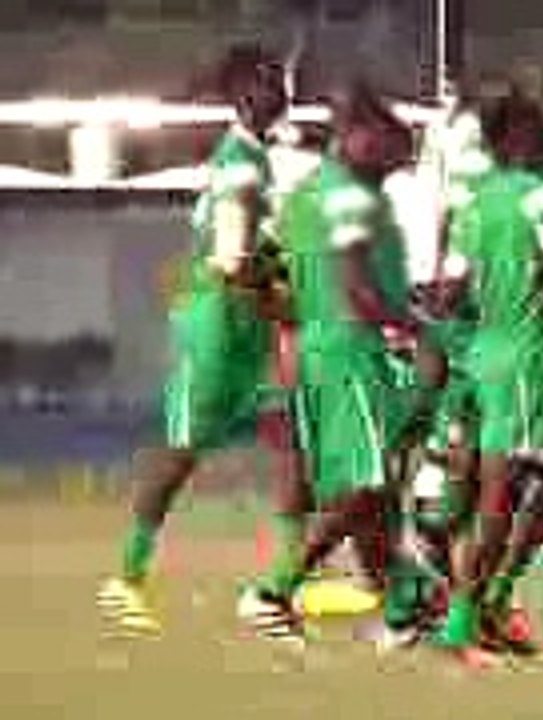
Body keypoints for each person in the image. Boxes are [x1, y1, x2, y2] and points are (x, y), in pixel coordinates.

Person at [97, 44, 300, 638]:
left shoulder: (255, 158)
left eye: (280, 80)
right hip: (217, 322)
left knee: (295, 440)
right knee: (183, 450)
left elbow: (254, 252)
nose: (279, 90)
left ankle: (285, 582)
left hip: (246, 321)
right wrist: (290, 298)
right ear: (241, 95)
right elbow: (233, 261)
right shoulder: (239, 164)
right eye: (266, 81)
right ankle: (127, 578)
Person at [274, 83, 447, 648]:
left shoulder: (307, 193)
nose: (396, 159)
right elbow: (357, 289)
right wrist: (418, 327)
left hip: (322, 348)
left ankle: (404, 607)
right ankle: (274, 590)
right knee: (367, 484)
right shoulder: (346, 195)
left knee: (374, 490)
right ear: (358, 135)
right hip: (351, 351)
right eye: (390, 145)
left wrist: (291, 340)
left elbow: (282, 279)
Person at [427, 89, 543, 665]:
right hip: (525, 360)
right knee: (501, 495)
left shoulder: (475, 205)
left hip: (486, 353)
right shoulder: (541, 197)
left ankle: (491, 598)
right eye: (540, 131)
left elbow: (450, 292)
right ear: (519, 138)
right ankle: (462, 623)